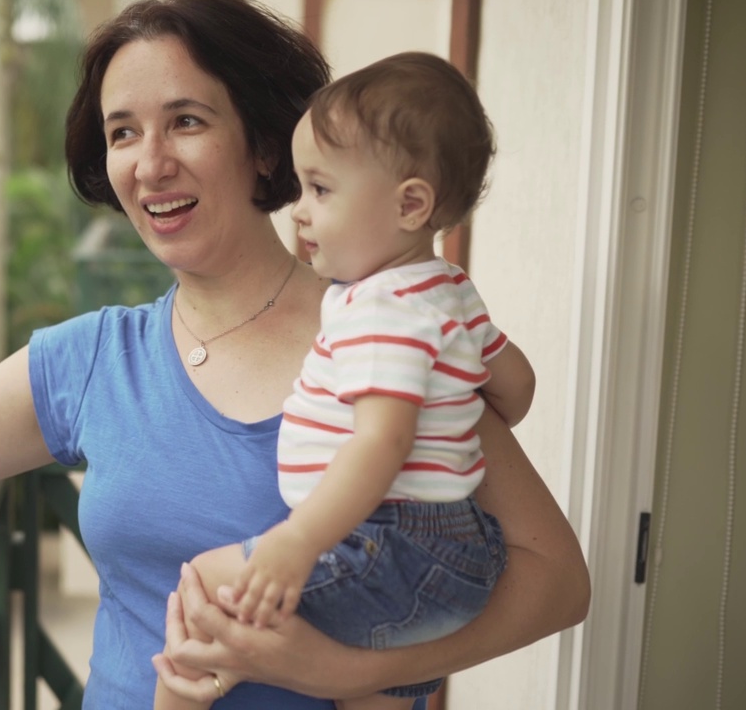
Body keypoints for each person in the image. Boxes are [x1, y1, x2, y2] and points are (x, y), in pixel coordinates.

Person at [0, 0, 590, 708]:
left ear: (264, 143)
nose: (150, 164)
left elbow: (556, 577)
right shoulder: (95, 359)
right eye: (121, 133)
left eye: (185, 121)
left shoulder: (380, 331)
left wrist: (341, 670)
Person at [154, 51, 535, 710]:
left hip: (395, 544)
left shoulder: (380, 309)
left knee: (208, 585)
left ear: (409, 204)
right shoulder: (450, 290)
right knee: (377, 688)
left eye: (321, 190)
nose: (299, 212)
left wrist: (296, 543)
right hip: (465, 550)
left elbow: (379, 445)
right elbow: (517, 386)